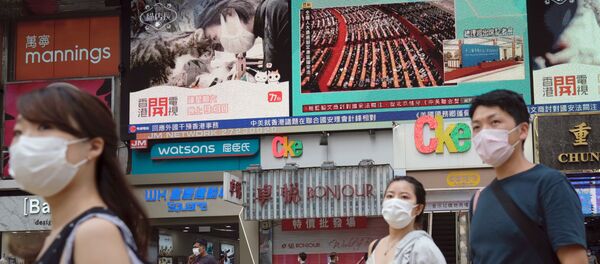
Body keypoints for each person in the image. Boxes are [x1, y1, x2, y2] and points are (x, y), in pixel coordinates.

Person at [7, 83, 149, 263]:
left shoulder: (94, 232)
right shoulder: (66, 234)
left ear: (93, 147)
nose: (25, 141)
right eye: (19, 132)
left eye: (44, 127)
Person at [468, 89, 587, 263]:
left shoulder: (550, 184)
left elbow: (575, 261)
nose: (484, 134)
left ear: (522, 130)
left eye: (494, 122)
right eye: (477, 127)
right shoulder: (479, 200)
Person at [195, 0, 291, 82]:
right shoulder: (266, 24)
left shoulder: (276, 11)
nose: (223, 45)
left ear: (230, 14)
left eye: (215, 38)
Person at [367, 176, 446, 264]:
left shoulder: (423, 247)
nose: (394, 202)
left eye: (404, 197)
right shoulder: (374, 245)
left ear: (418, 208)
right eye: (390, 196)